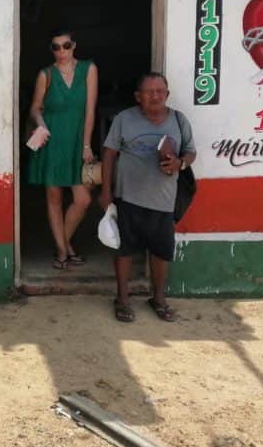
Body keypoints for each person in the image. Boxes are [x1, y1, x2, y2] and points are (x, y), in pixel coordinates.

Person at [98, 72, 196, 323]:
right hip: (128, 196)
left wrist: (180, 163)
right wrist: (106, 191)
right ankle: (122, 299)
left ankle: (159, 299)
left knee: (161, 252)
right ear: (137, 97)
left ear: (167, 94)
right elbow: (109, 154)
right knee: (124, 249)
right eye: (149, 92)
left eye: (160, 91)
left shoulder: (178, 120)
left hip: (163, 200)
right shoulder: (124, 119)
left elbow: (190, 152)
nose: (155, 96)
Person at [26, 29, 99, 269]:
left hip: (78, 141)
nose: (61, 51)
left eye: (65, 45)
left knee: (83, 199)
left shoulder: (89, 69)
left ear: (74, 45)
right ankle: (63, 251)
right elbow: (35, 108)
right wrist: (41, 123)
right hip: (52, 142)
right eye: (56, 47)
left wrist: (87, 144)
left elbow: (90, 110)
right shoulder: (45, 74)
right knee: (54, 198)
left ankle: (63, 244)